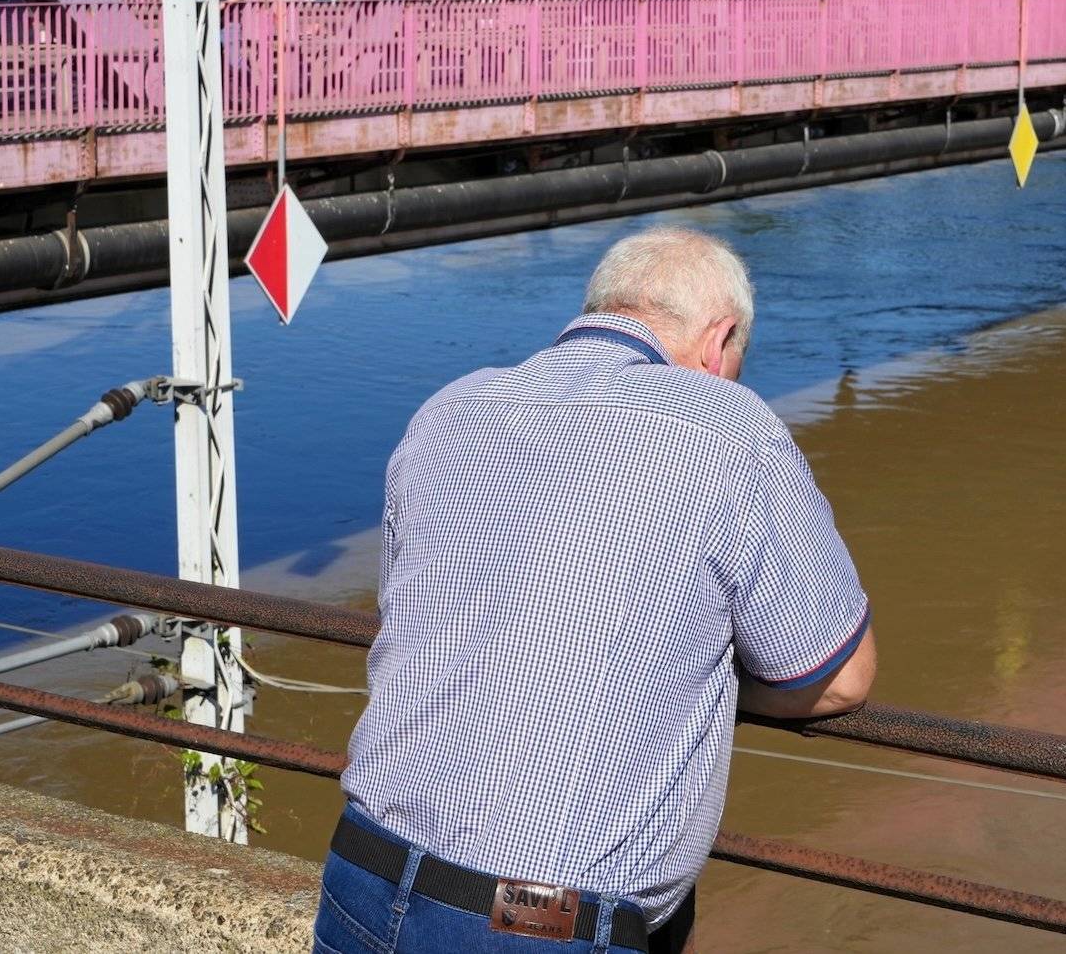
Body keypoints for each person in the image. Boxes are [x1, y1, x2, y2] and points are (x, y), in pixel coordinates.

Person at [317, 227, 875, 954]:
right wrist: (696, 676)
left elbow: (420, 621)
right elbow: (841, 679)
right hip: (531, 926)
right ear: (720, 341)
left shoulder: (452, 408)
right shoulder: (732, 431)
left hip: (363, 873)